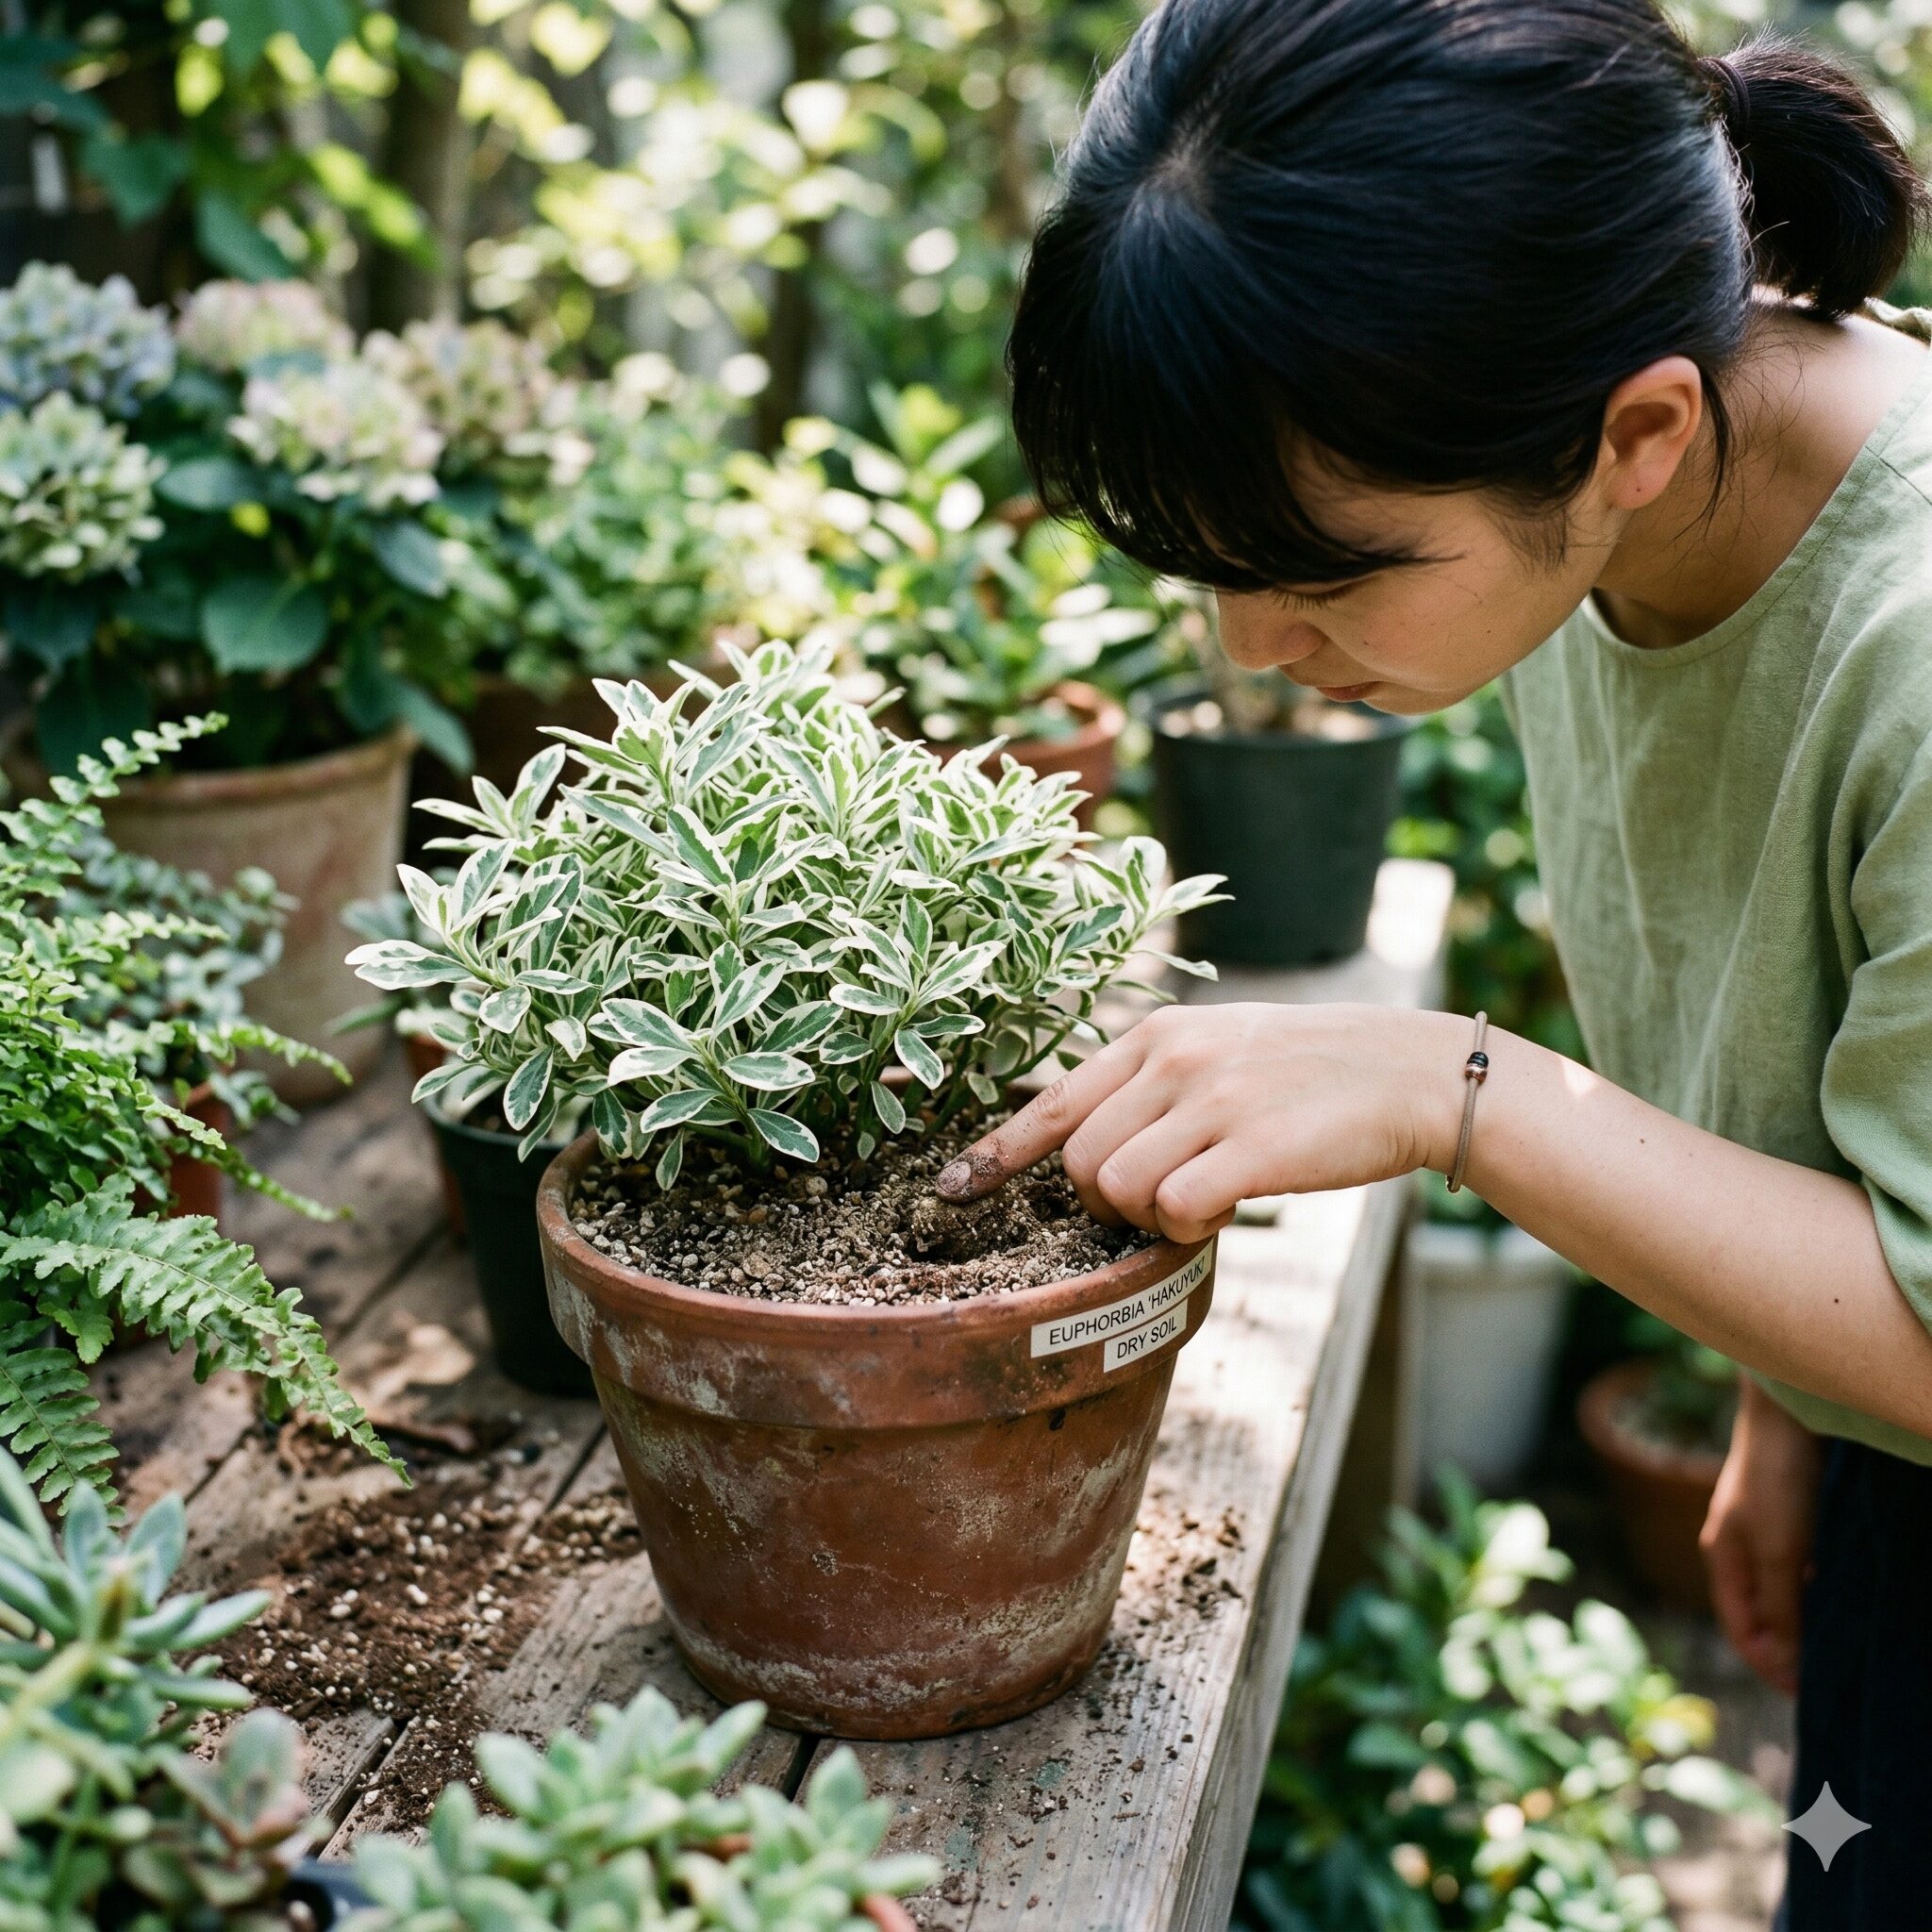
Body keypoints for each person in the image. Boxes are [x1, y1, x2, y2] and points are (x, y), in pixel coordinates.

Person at [934, 2, 1932, 1923]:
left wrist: (1447, 1087)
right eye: (1213, 569)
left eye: (1320, 575)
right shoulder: (1586, 465)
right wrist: (1787, 1399)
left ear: (1638, 434)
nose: (1250, 648)